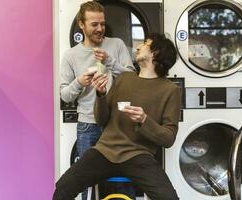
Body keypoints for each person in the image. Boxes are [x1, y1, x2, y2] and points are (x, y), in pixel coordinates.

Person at [53, 33, 181, 200]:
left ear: (155, 53)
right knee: (63, 187)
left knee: (169, 198)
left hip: (139, 154)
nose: (138, 47)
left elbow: (169, 138)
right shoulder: (124, 78)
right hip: (105, 151)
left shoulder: (170, 90)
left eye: (144, 44)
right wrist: (101, 95)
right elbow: (102, 120)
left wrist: (144, 120)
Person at [59, 1, 133, 200]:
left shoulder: (116, 45)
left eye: (102, 23)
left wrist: (111, 62)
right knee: (85, 180)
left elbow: (132, 79)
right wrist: (79, 82)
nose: (100, 28)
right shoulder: (71, 56)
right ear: (81, 25)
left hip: (118, 124)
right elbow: (65, 95)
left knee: (122, 178)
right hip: (88, 125)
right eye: (94, 24)